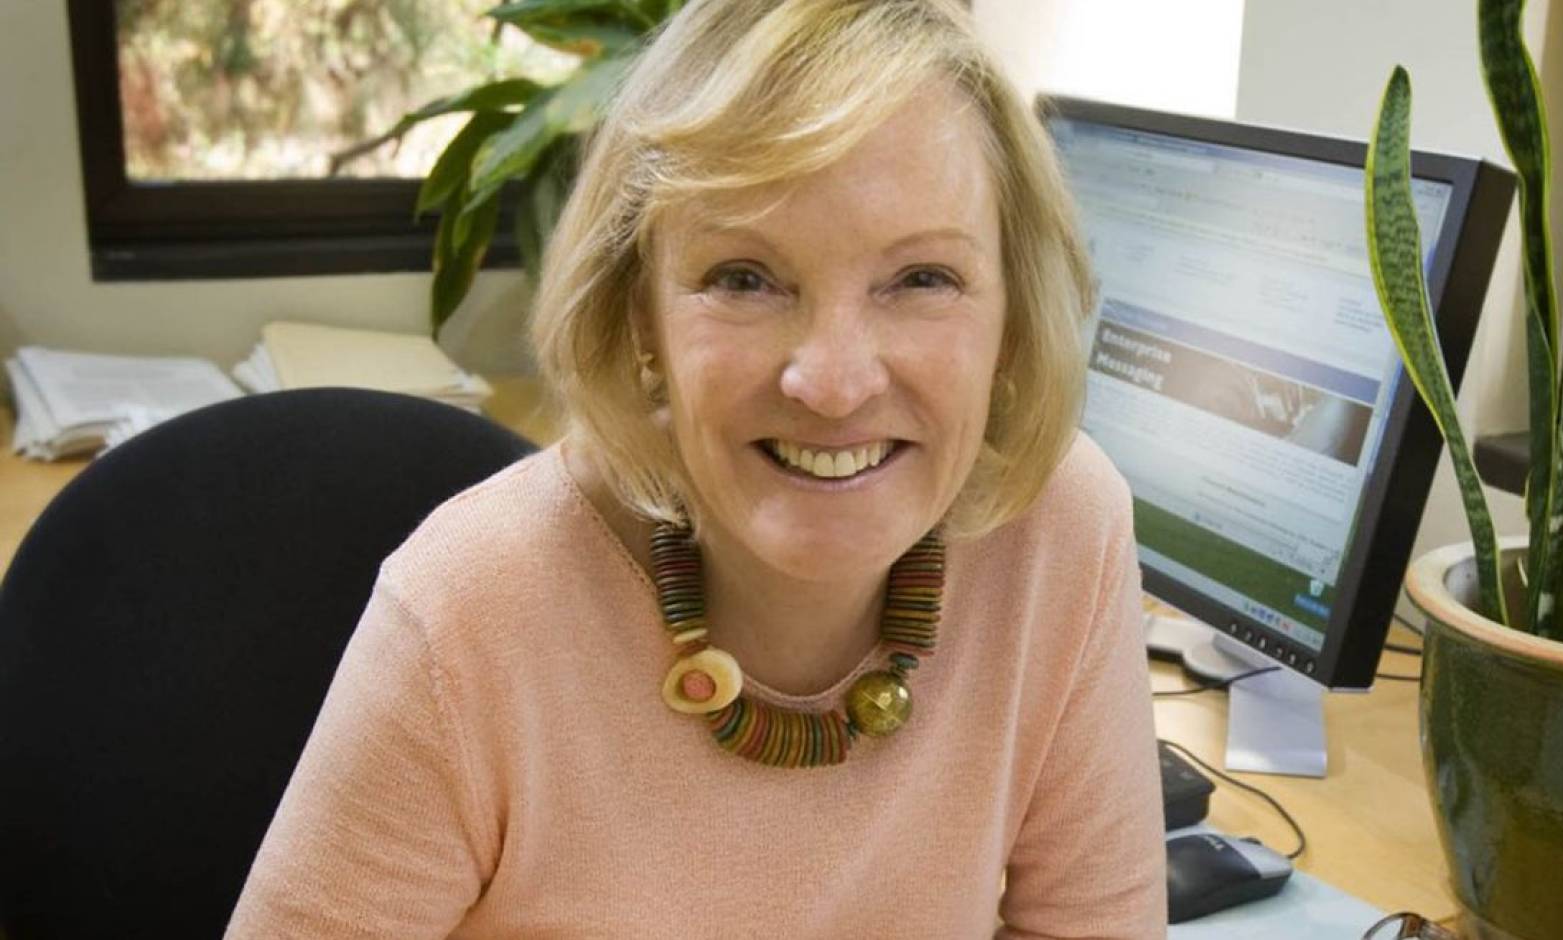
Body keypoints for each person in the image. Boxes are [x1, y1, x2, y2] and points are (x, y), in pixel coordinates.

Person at [226, 0, 1166, 935]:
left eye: (922, 279)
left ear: (1011, 318)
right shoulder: (469, 611)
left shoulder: (1062, 534)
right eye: (744, 278)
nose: (832, 383)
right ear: (641, 315)